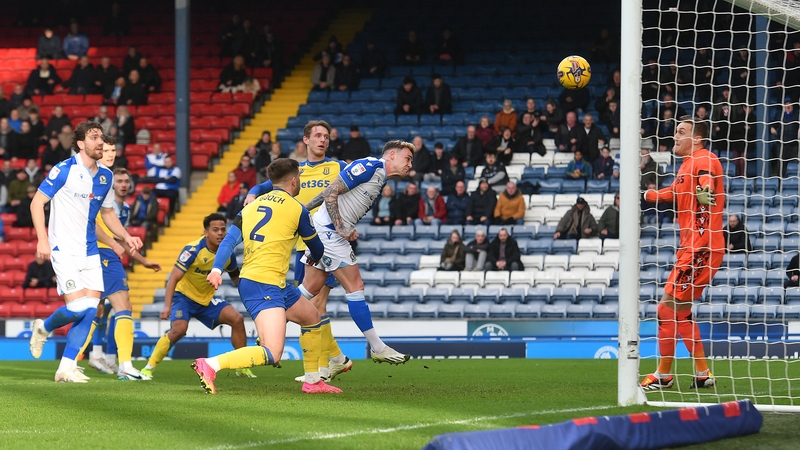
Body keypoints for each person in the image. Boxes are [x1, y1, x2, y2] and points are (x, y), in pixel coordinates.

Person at [200, 159, 341, 395]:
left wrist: (216, 270)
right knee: (272, 352)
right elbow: (317, 249)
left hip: (268, 281)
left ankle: (313, 381)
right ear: (294, 180)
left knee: (312, 317)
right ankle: (211, 365)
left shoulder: (249, 207)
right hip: (262, 284)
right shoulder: (298, 209)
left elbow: (228, 241)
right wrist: (316, 256)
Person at [28, 121, 141, 383]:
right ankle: (43, 328)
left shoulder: (106, 176)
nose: (100, 142)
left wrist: (125, 236)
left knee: (91, 310)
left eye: (101, 137)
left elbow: (108, 213)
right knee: (79, 308)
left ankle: (65, 368)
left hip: (91, 251)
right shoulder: (64, 170)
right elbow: (37, 203)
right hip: (63, 248)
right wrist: (41, 241)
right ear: (81, 143)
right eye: (94, 137)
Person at [245, 121, 352, 382]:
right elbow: (264, 186)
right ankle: (335, 360)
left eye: (326, 136)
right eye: (317, 135)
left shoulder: (338, 167)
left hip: (326, 244)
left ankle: (323, 369)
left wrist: (348, 220)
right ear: (305, 140)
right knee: (315, 307)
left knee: (315, 304)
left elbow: (360, 183)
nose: (322, 140)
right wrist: (251, 192)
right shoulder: (295, 172)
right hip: (300, 246)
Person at [298, 140, 415, 365]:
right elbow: (332, 190)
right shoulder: (370, 166)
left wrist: (305, 208)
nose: (410, 164)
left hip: (322, 230)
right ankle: (378, 347)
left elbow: (329, 191)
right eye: (407, 159)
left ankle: (270, 322)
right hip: (330, 233)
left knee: (308, 289)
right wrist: (341, 226)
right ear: (392, 154)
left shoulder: (379, 177)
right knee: (356, 287)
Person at [640, 116, 725, 391]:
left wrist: (705, 191)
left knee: (665, 309)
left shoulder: (705, 159)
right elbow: (671, 192)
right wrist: (643, 195)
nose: (675, 136)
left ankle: (663, 375)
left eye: (681, 131)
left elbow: (706, 182)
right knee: (681, 312)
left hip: (701, 247)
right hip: (692, 247)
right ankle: (703, 372)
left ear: (696, 138)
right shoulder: (685, 166)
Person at [140, 214, 253, 380]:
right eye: (215, 230)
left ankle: (242, 367)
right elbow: (173, 278)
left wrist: (252, 299)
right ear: (205, 232)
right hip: (184, 297)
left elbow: (237, 280)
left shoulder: (228, 254)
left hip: (206, 300)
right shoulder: (192, 250)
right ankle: (148, 368)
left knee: (236, 319)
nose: (220, 233)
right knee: (179, 330)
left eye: (223, 229)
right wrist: (166, 306)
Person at [85, 143, 161, 379]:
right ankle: (115, 363)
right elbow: (97, 226)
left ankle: (104, 358)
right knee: (117, 307)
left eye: (126, 182)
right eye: (119, 181)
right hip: (101, 252)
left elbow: (123, 239)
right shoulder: (99, 190)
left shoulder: (123, 208)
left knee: (100, 308)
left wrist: (142, 260)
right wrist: (119, 245)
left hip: (103, 252)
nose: (123, 185)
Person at [770, 97, 800, 178]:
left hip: (793, 144)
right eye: (786, 104)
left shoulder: (797, 114)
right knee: (781, 164)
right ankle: (780, 181)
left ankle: (793, 180)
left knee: (794, 163)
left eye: (789, 104)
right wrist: (773, 129)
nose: (788, 106)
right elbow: (773, 126)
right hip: (782, 143)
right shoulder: (779, 114)